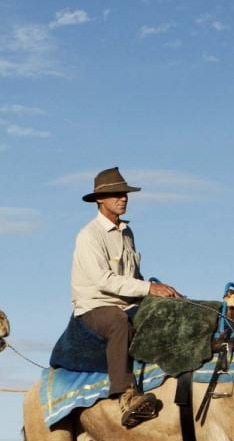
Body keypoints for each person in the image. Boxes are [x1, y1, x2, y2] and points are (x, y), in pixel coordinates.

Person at [72, 166, 181, 427]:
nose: (123, 198)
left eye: (125, 194)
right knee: (118, 322)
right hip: (96, 305)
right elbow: (103, 281)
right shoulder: (89, 236)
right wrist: (147, 290)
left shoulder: (127, 232)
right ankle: (125, 393)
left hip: (127, 301)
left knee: (175, 310)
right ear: (100, 199)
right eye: (116, 194)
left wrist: (159, 291)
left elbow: (134, 276)